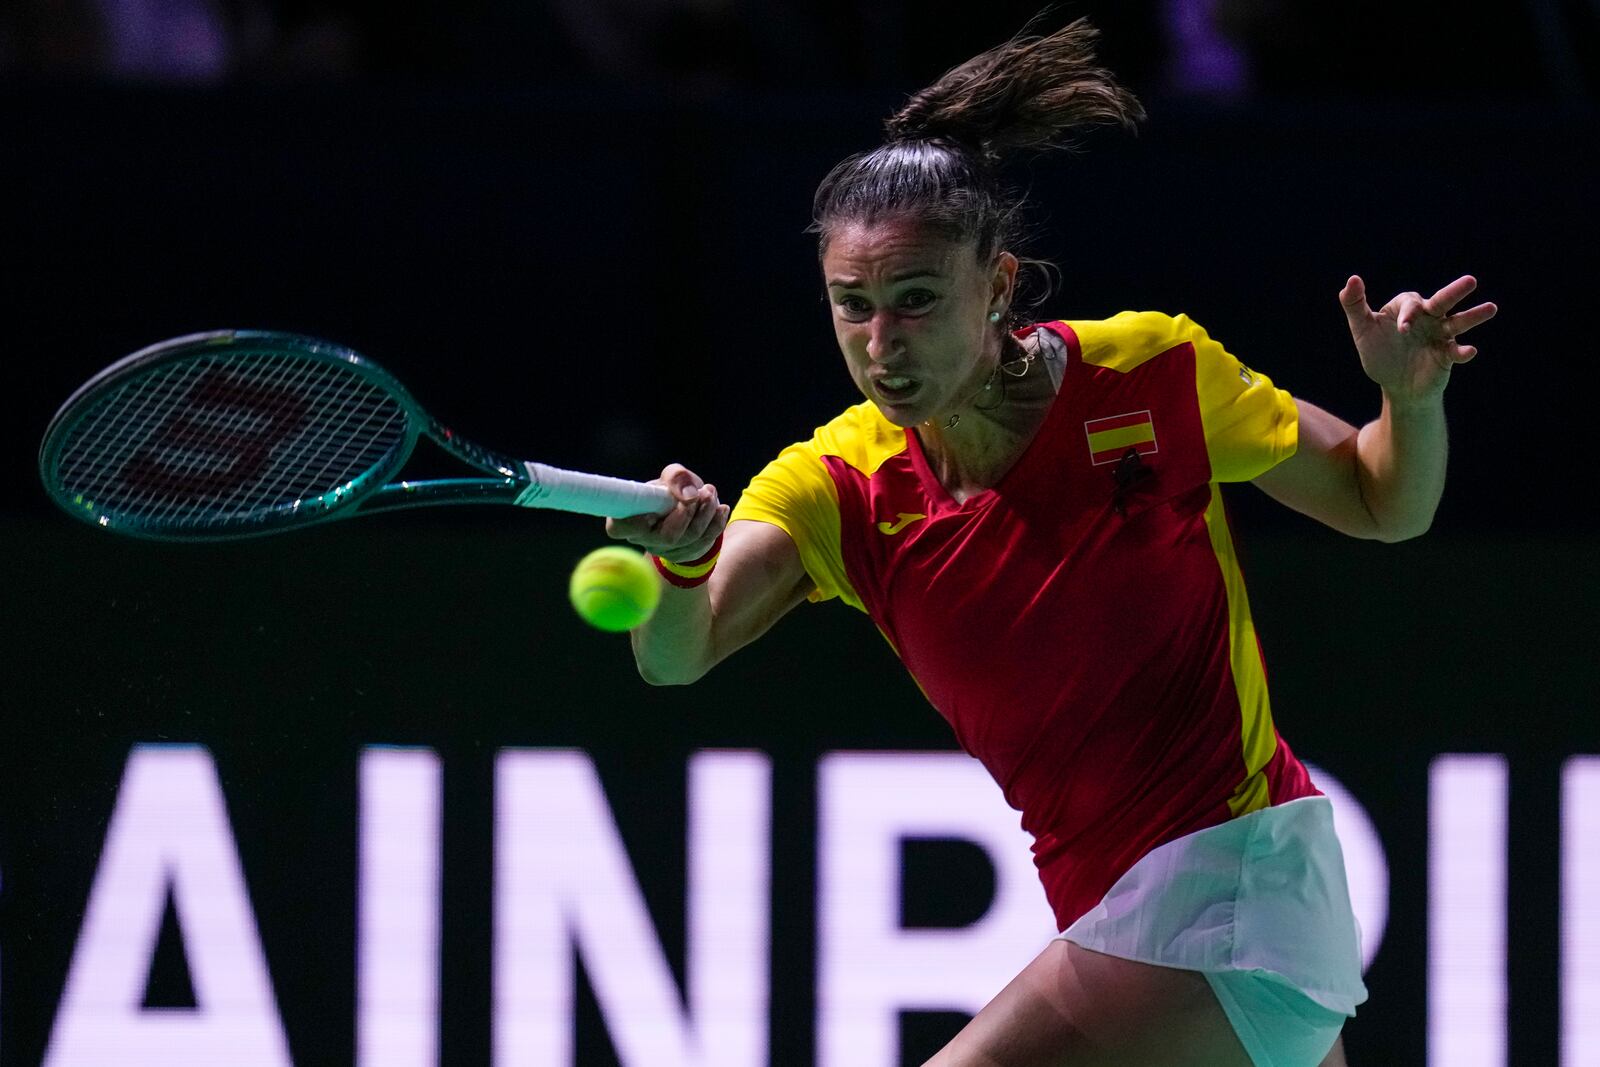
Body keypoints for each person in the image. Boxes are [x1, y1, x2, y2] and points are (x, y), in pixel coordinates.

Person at [607, 16, 1495, 1067]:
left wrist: (1409, 399)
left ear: (998, 283)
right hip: (1129, 918)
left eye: (917, 300)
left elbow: (1381, 499)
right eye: (852, 307)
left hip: (1235, 886)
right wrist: (682, 563)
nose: (881, 342)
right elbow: (675, 654)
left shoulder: (1153, 373)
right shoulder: (835, 488)